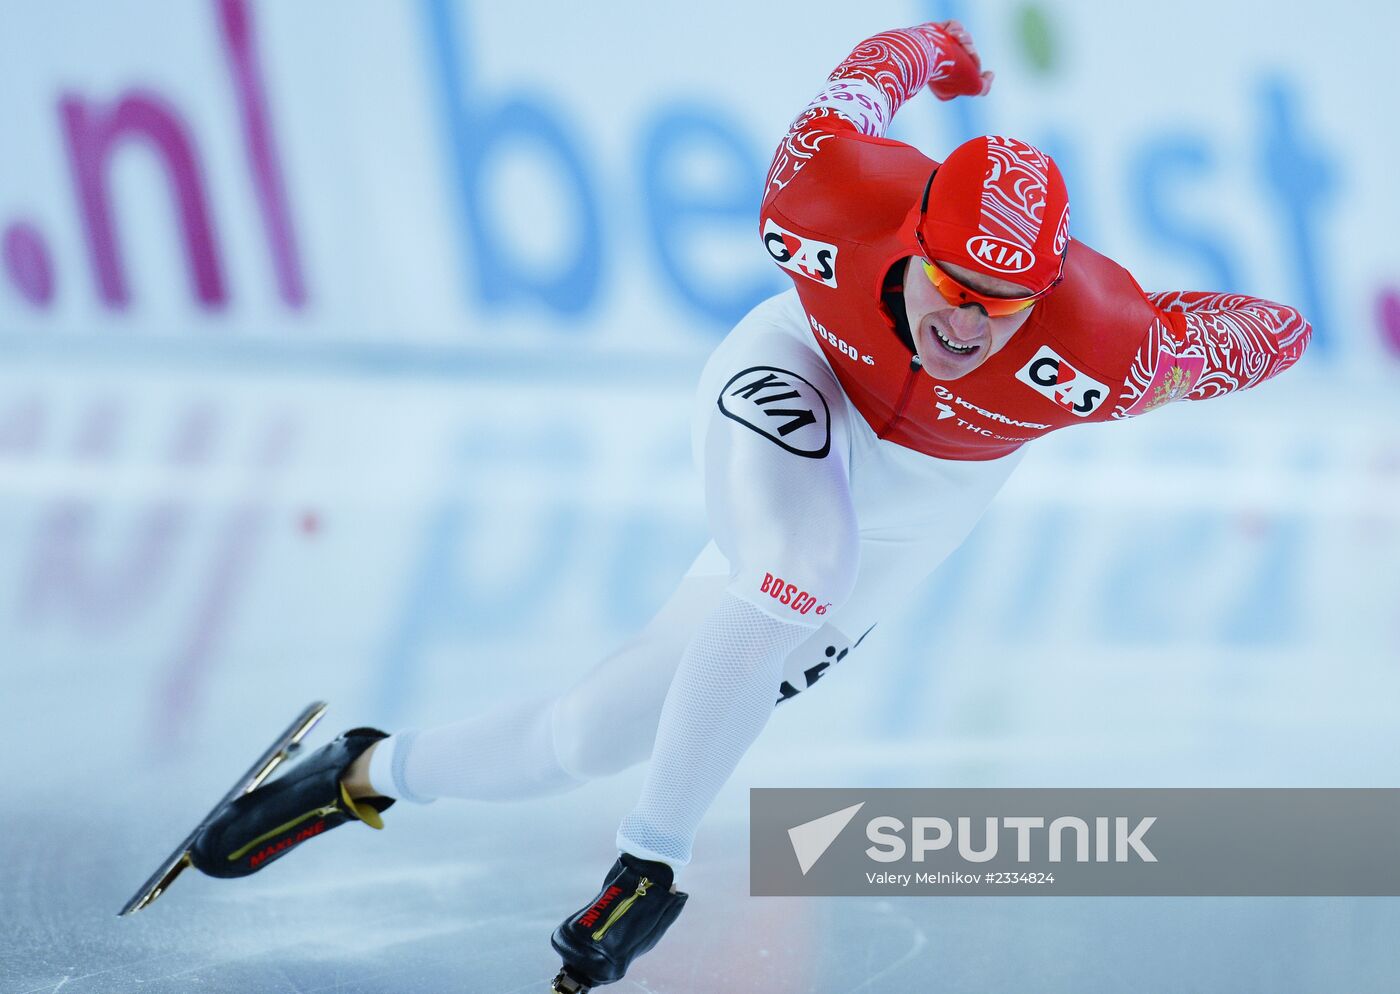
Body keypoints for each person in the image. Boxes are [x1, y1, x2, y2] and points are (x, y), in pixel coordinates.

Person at [183, 20, 1311, 992]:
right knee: (796, 567)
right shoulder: (818, 194)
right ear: (908, 238)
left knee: (590, 734)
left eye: (1003, 307)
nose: (965, 328)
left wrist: (1252, 327)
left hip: (927, 499)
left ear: (1048, 293)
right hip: (796, 372)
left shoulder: (1103, 350)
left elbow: (1268, 335)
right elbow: (867, 72)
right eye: (951, 289)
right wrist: (936, 49)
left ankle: (358, 772)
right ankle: (650, 866)